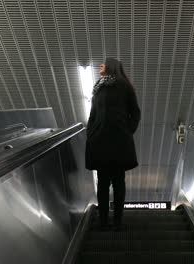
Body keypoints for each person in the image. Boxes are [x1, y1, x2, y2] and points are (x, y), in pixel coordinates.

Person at [85, 58, 141, 231]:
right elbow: (93, 115)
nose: (101, 66)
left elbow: (135, 113)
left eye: (104, 64)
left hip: (118, 142)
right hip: (100, 141)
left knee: (118, 183)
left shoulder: (125, 87)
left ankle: (117, 221)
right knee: (102, 183)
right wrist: (91, 133)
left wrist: (127, 131)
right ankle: (103, 221)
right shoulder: (98, 88)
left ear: (112, 67)